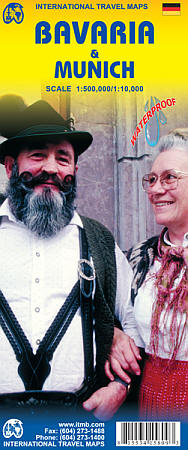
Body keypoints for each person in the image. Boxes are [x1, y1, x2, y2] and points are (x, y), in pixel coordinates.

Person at [0, 97, 140, 420]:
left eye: (62, 158)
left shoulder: (100, 242)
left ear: (74, 170)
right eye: (38, 155)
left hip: (75, 425)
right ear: (11, 166)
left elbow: (135, 323)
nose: (51, 168)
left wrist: (120, 385)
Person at [105, 129, 188, 419]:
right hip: (148, 408)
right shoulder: (137, 258)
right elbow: (113, 316)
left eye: (169, 178)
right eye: (151, 180)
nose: (155, 189)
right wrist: (114, 336)